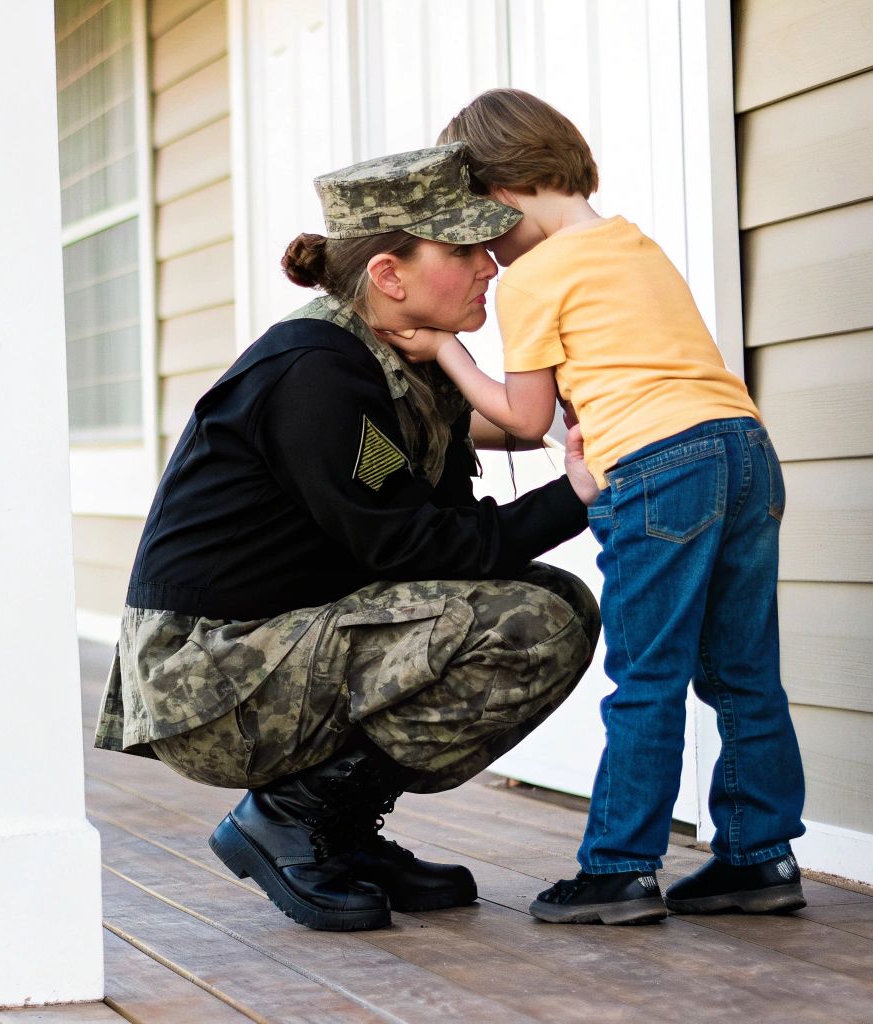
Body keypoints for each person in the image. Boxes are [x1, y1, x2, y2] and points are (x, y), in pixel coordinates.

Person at [94, 143, 603, 932]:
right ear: (389, 277)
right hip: (208, 674)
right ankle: (290, 819)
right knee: (534, 622)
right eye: (463, 249)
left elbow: (450, 460)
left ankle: (336, 830)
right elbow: (415, 548)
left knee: (549, 598)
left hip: (274, 641)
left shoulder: (380, 357)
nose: (489, 267)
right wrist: (574, 496)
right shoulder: (318, 373)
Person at [422, 88, 807, 924]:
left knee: (648, 674)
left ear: (499, 194)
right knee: (742, 672)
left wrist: (445, 349)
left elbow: (525, 417)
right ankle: (759, 855)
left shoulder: (534, 279)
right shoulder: (633, 244)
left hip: (659, 470)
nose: (483, 249)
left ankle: (620, 868)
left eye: (478, 225)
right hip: (742, 450)